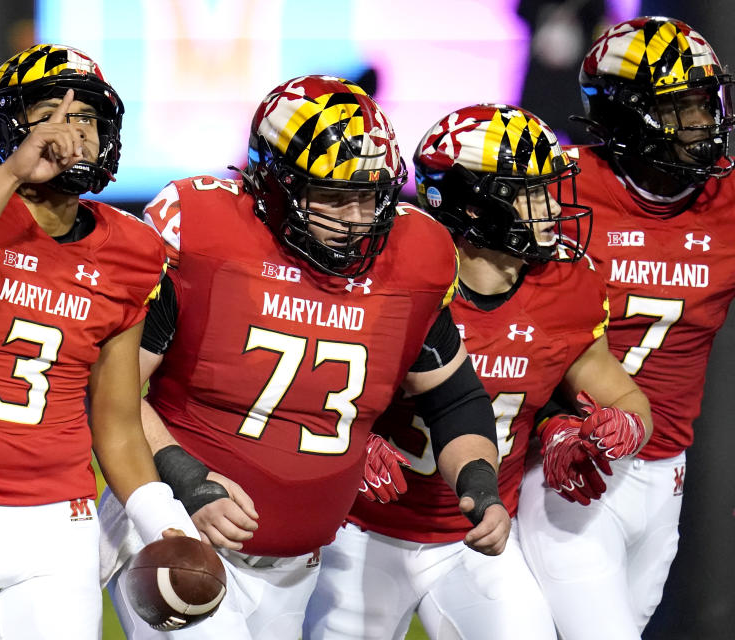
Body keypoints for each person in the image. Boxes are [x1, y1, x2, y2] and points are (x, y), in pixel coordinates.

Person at [96, 75, 511, 640]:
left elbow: (454, 398)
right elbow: (112, 389)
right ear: (273, 182)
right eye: (334, 195)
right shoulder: (208, 238)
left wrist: (480, 482)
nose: (356, 217)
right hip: (178, 536)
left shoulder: (415, 257)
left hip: (299, 566)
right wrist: (184, 476)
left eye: (369, 195)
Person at [302, 103, 652, 640]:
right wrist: (347, 438)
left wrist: (621, 430)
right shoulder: (392, 273)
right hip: (360, 531)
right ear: (473, 207)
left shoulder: (567, 287)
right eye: (530, 192)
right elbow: (301, 391)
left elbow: (624, 396)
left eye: (549, 189)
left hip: (477, 533)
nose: (552, 208)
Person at [0, 43, 196, 639]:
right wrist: (10, 175)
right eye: (49, 110)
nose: (69, 128)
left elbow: (118, 421)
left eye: (84, 116)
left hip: (62, 524)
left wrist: (166, 524)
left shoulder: (133, 250)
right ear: (8, 124)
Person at [516, 16, 735, 639]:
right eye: (679, 109)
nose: (702, 125)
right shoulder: (555, 190)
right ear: (623, 115)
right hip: (564, 460)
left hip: (665, 472)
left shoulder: (728, 198)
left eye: (705, 104)